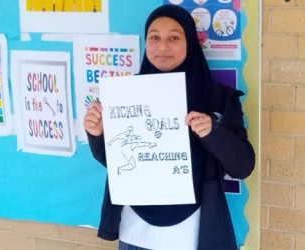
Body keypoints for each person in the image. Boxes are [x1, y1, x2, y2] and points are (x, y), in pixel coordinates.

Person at [83, 4, 255, 250]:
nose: (162, 46)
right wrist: (97, 135)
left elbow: (243, 167)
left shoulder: (218, 99)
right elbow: (118, 162)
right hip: (135, 233)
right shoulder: (125, 95)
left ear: (190, 43)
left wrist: (212, 133)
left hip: (192, 235)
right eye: (154, 37)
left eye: (174, 37)